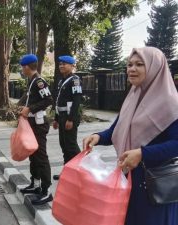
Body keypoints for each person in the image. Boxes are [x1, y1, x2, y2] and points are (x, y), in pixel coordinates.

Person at [83, 47, 178, 225]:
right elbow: (117, 129)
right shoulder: (133, 96)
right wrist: (98, 136)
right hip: (130, 179)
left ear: (155, 68)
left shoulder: (171, 103)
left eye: (139, 64)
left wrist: (143, 153)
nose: (131, 69)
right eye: (129, 64)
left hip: (156, 185)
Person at [17, 54, 54, 205]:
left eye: (22, 67)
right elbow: (30, 99)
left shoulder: (39, 81)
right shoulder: (32, 81)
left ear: (26, 67)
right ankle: (35, 184)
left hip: (39, 124)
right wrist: (23, 107)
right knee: (32, 154)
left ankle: (47, 190)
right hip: (32, 123)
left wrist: (30, 108)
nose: (21, 69)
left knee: (41, 156)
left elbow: (48, 100)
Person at [52, 55, 82, 180]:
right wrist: (56, 118)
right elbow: (59, 102)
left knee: (71, 146)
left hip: (70, 118)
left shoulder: (75, 80)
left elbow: (76, 101)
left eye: (65, 64)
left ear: (72, 66)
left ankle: (81, 170)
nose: (61, 66)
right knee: (64, 145)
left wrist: (71, 119)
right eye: (60, 64)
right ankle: (67, 171)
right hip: (62, 116)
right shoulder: (61, 80)